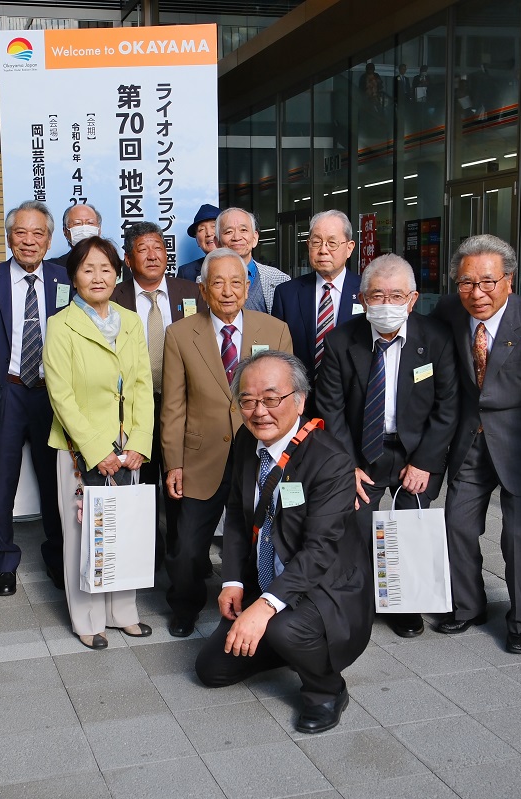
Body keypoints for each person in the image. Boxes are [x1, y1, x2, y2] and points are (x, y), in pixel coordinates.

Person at [195, 350, 372, 734]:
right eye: (248, 400)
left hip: (324, 587)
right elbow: (239, 516)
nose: (260, 411)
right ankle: (284, 641)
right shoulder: (247, 440)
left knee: (282, 627)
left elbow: (320, 551)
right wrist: (232, 582)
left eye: (272, 398)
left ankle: (326, 689)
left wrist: (265, 607)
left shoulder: (330, 461)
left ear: (300, 400)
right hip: (271, 577)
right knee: (211, 670)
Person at [429, 234, 521, 653]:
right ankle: (468, 604)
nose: (477, 293)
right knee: (457, 523)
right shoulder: (448, 312)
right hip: (469, 438)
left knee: (518, 537)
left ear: (509, 280)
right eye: (467, 282)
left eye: (488, 282)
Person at [314, 253, 457, 638]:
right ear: (362, 298)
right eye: (377, 295)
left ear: (412, 300)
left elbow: (448, 407)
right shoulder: (342, 340)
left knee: (409, 522)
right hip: (361, 451)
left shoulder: (436, 339)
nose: (387, 304)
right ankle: (359, 600)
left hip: (415, 453)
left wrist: (425, 461)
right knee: (356, 525)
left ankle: (404, 604)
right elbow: (331, 407)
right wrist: (347, 464)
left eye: (397, 296)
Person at [160, 248, 293, 638]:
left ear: (248, 285)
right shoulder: (180, 334)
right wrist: (174, 463)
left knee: (263, 533)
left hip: (260, 455)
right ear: (202, 289)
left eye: (236, 281)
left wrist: (289, 454)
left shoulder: (275, 330)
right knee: (187, 547)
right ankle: (184, 606)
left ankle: (256, 600)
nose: (228, 290)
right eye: (217, 282)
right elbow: (173, 405)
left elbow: (288, 399)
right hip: (202, 457)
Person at [44, 235, 155, 650]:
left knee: (124, 530)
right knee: (82, 536)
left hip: (128, 448)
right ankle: (87, 619)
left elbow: (142, 384)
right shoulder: (61, 325)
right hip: (80, 449)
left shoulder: (129, 321)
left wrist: (140, 442)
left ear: (117, 273)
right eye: (88, 269)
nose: (98, 276)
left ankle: (122, 611)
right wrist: (97, 450)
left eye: (106, 268)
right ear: (73, 277)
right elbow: (60, 395)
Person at [0, 201, 70, 594]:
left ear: (49, 240)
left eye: (38, 234)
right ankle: (3, 560)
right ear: (9, 236)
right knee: (1, 481)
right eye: (21, 233)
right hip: (5, 392)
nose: (29, 241)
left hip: (52, 395)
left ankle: (58, 555)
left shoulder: (66, 279)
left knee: (55, 482)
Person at [111, 221, 207, 567]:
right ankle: (147, 557)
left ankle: (184, 556)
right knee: (142, 484)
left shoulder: (191, 292)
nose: (153, 256)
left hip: (183, 404)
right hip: (135, 406)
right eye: (143, 249)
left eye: (158, 248)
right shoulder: (114, 297)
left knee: (182, 481)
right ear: (127, 258)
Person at [271, 210, 363, 379]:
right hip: (302, 395)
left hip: (353, 396)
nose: (323, 250)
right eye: (316, 242)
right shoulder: (286, 294)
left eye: (332, 243)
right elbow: (278, 353)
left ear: (349, 248)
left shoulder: (366, 291)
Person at [216, 207, 289, 313]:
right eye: (228, 232)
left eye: (243, 230)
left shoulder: (279, 280)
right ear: (217, 242)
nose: (237, 237)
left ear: (254, 238)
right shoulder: (203, 281)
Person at [45, 203, 102, 269]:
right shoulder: (53, 268)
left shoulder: (111, 263)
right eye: (77, 223)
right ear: (65, 232)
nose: (84, 228)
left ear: (99, 230)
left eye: (90, 223)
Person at [176, 203, 219, 282]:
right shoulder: (186, 273)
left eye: (214, 226)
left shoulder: (242, 263)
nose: (209, 233)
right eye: (201, 229)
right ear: (197, 241)